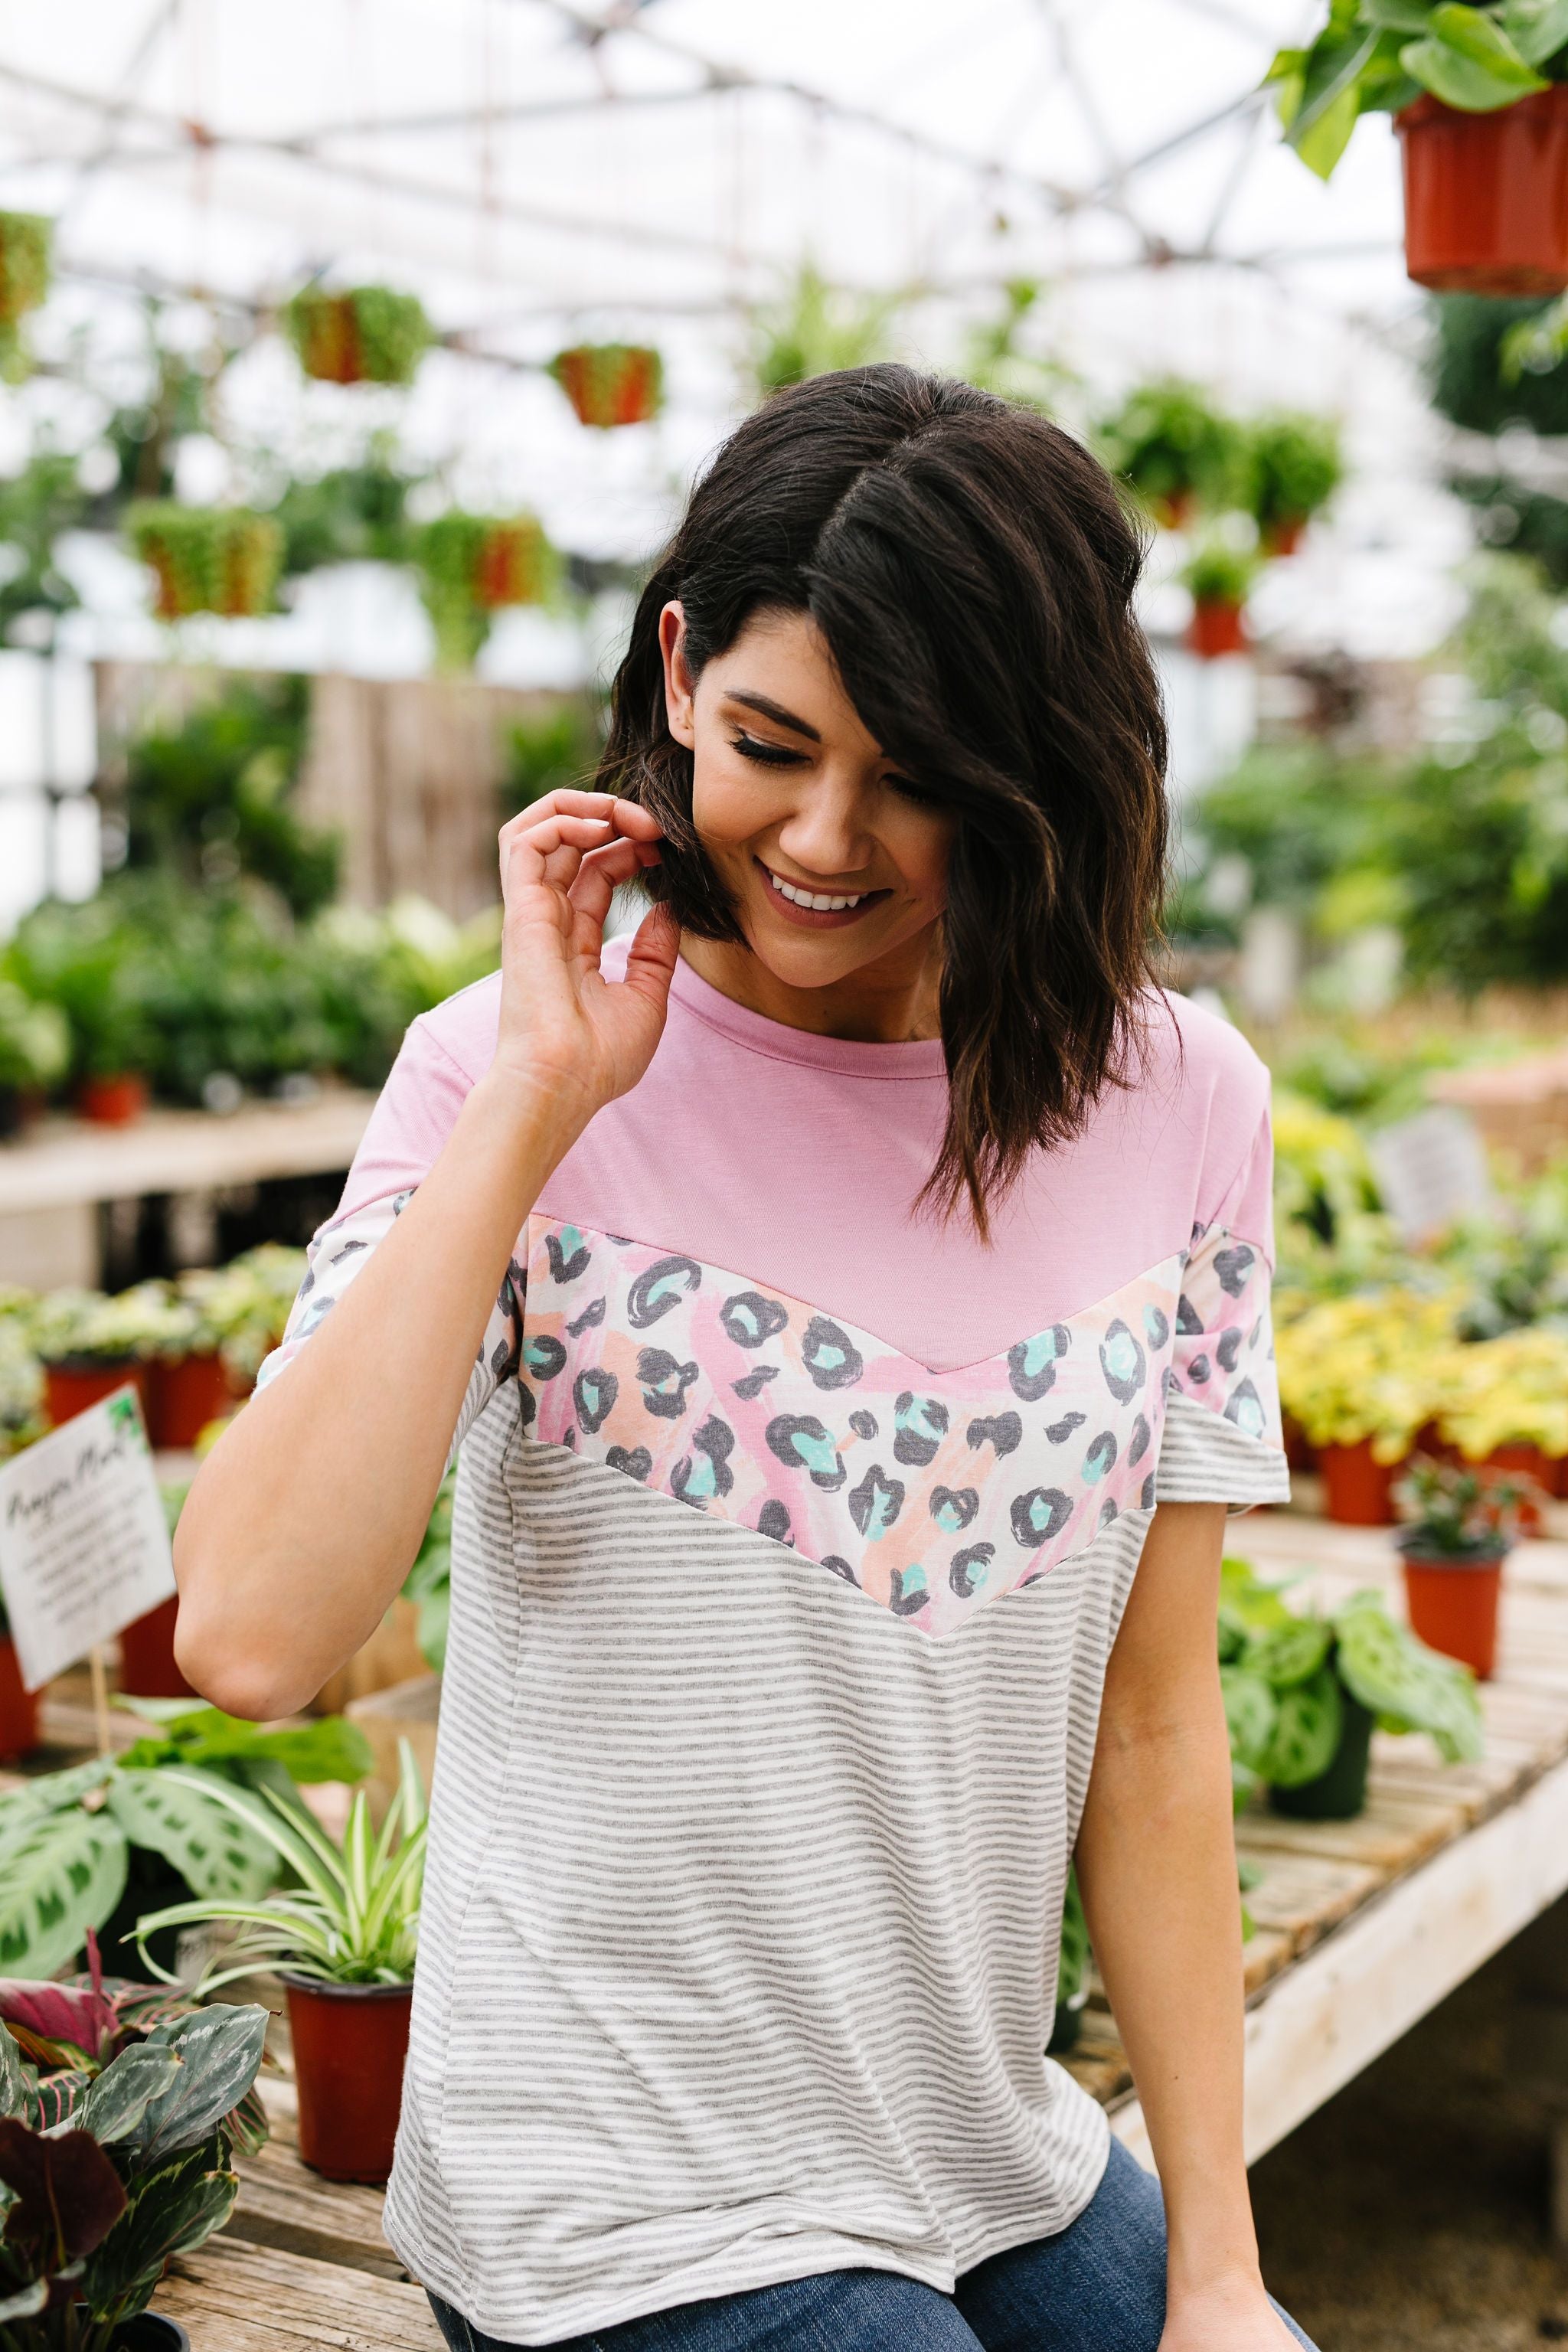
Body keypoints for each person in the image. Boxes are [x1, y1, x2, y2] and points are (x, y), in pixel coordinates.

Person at [173, 366, 1316, 2352]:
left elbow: (1154, 1732)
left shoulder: (1182, 1101)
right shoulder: (498, 1067)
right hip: (609, 2200)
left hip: (983, 2156)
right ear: (680, 667)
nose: (824, 836)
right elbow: (254, 1638)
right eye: (774, 745)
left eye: (918, 775)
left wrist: (1218, 2272)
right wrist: (539, 1105)